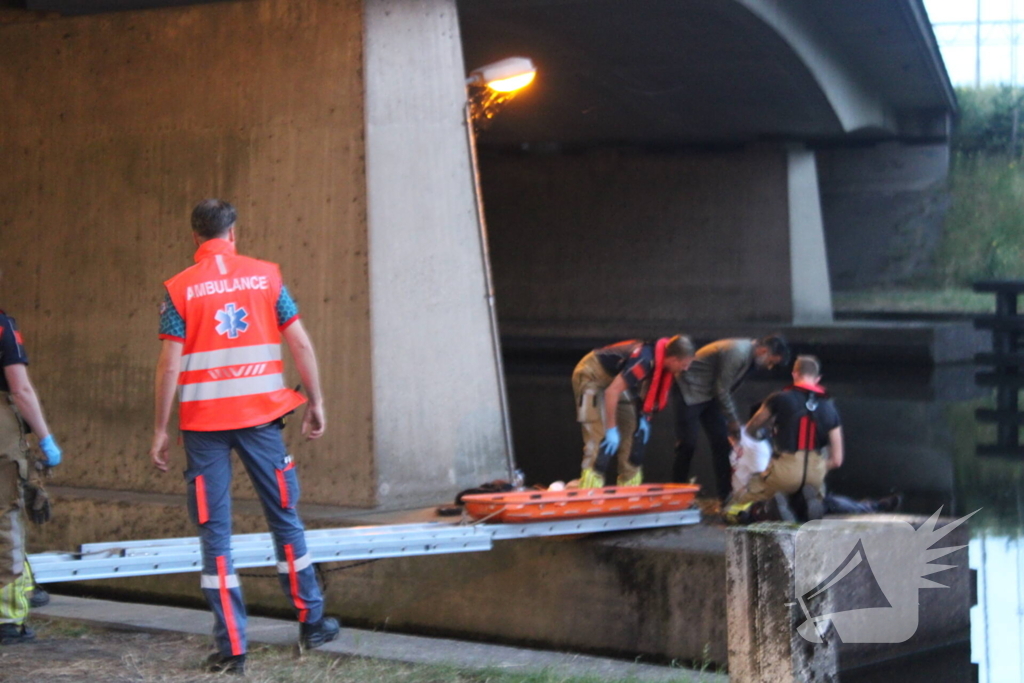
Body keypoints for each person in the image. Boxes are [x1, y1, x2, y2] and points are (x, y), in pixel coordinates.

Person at [149, 199, 338, 675]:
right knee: (284, 518)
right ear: (233, 233)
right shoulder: (267, 277)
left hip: (203, 428)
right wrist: (315, 400)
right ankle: (312, 621)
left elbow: (170, 363)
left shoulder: (179, 289)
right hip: (260, 422)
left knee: (216, 535)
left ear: (195, 237)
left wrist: (158, 429)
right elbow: (299, 341)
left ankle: (231, 647)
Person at [726, 355, 900, 523]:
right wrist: (818, 466)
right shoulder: (830, 407)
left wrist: (767, 433)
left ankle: (764, 511)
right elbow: (837, 460)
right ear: (818, 378)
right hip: (815, 473)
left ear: (794, 374)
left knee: (736, 504)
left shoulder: (779, 398)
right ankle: (815, 506)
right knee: (821, 499)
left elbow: (750, 428)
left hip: (784, 470)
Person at [0, 281, 62, 645]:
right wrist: (45, 438)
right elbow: (20, 389)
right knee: (4, 520)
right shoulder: (3, 326)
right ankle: (6, 619)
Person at [672, 335, 790, 500]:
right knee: (688, 443)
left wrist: (728, 418)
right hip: (690, 390)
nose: (769, 367)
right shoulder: (738, 352)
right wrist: (733, 420)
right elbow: (722, 389)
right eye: (771, 361)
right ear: (764, 350)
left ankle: (725, 495)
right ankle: (677, 493)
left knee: (721, 444)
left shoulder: (749, 358)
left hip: (709, 394)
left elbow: (721, 389)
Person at [573, 335, 695, 489]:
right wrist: (611, 429)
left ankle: (629, 486)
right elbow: (612, 392)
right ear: (673, 359)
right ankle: (589, 488)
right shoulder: (644, 361)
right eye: (684, 364)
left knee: (633, 430)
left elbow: (643, 393)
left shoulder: (661, 364)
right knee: (599, 436)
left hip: (613, 379)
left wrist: (643, 417)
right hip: (592, 374)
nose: (686, 369)